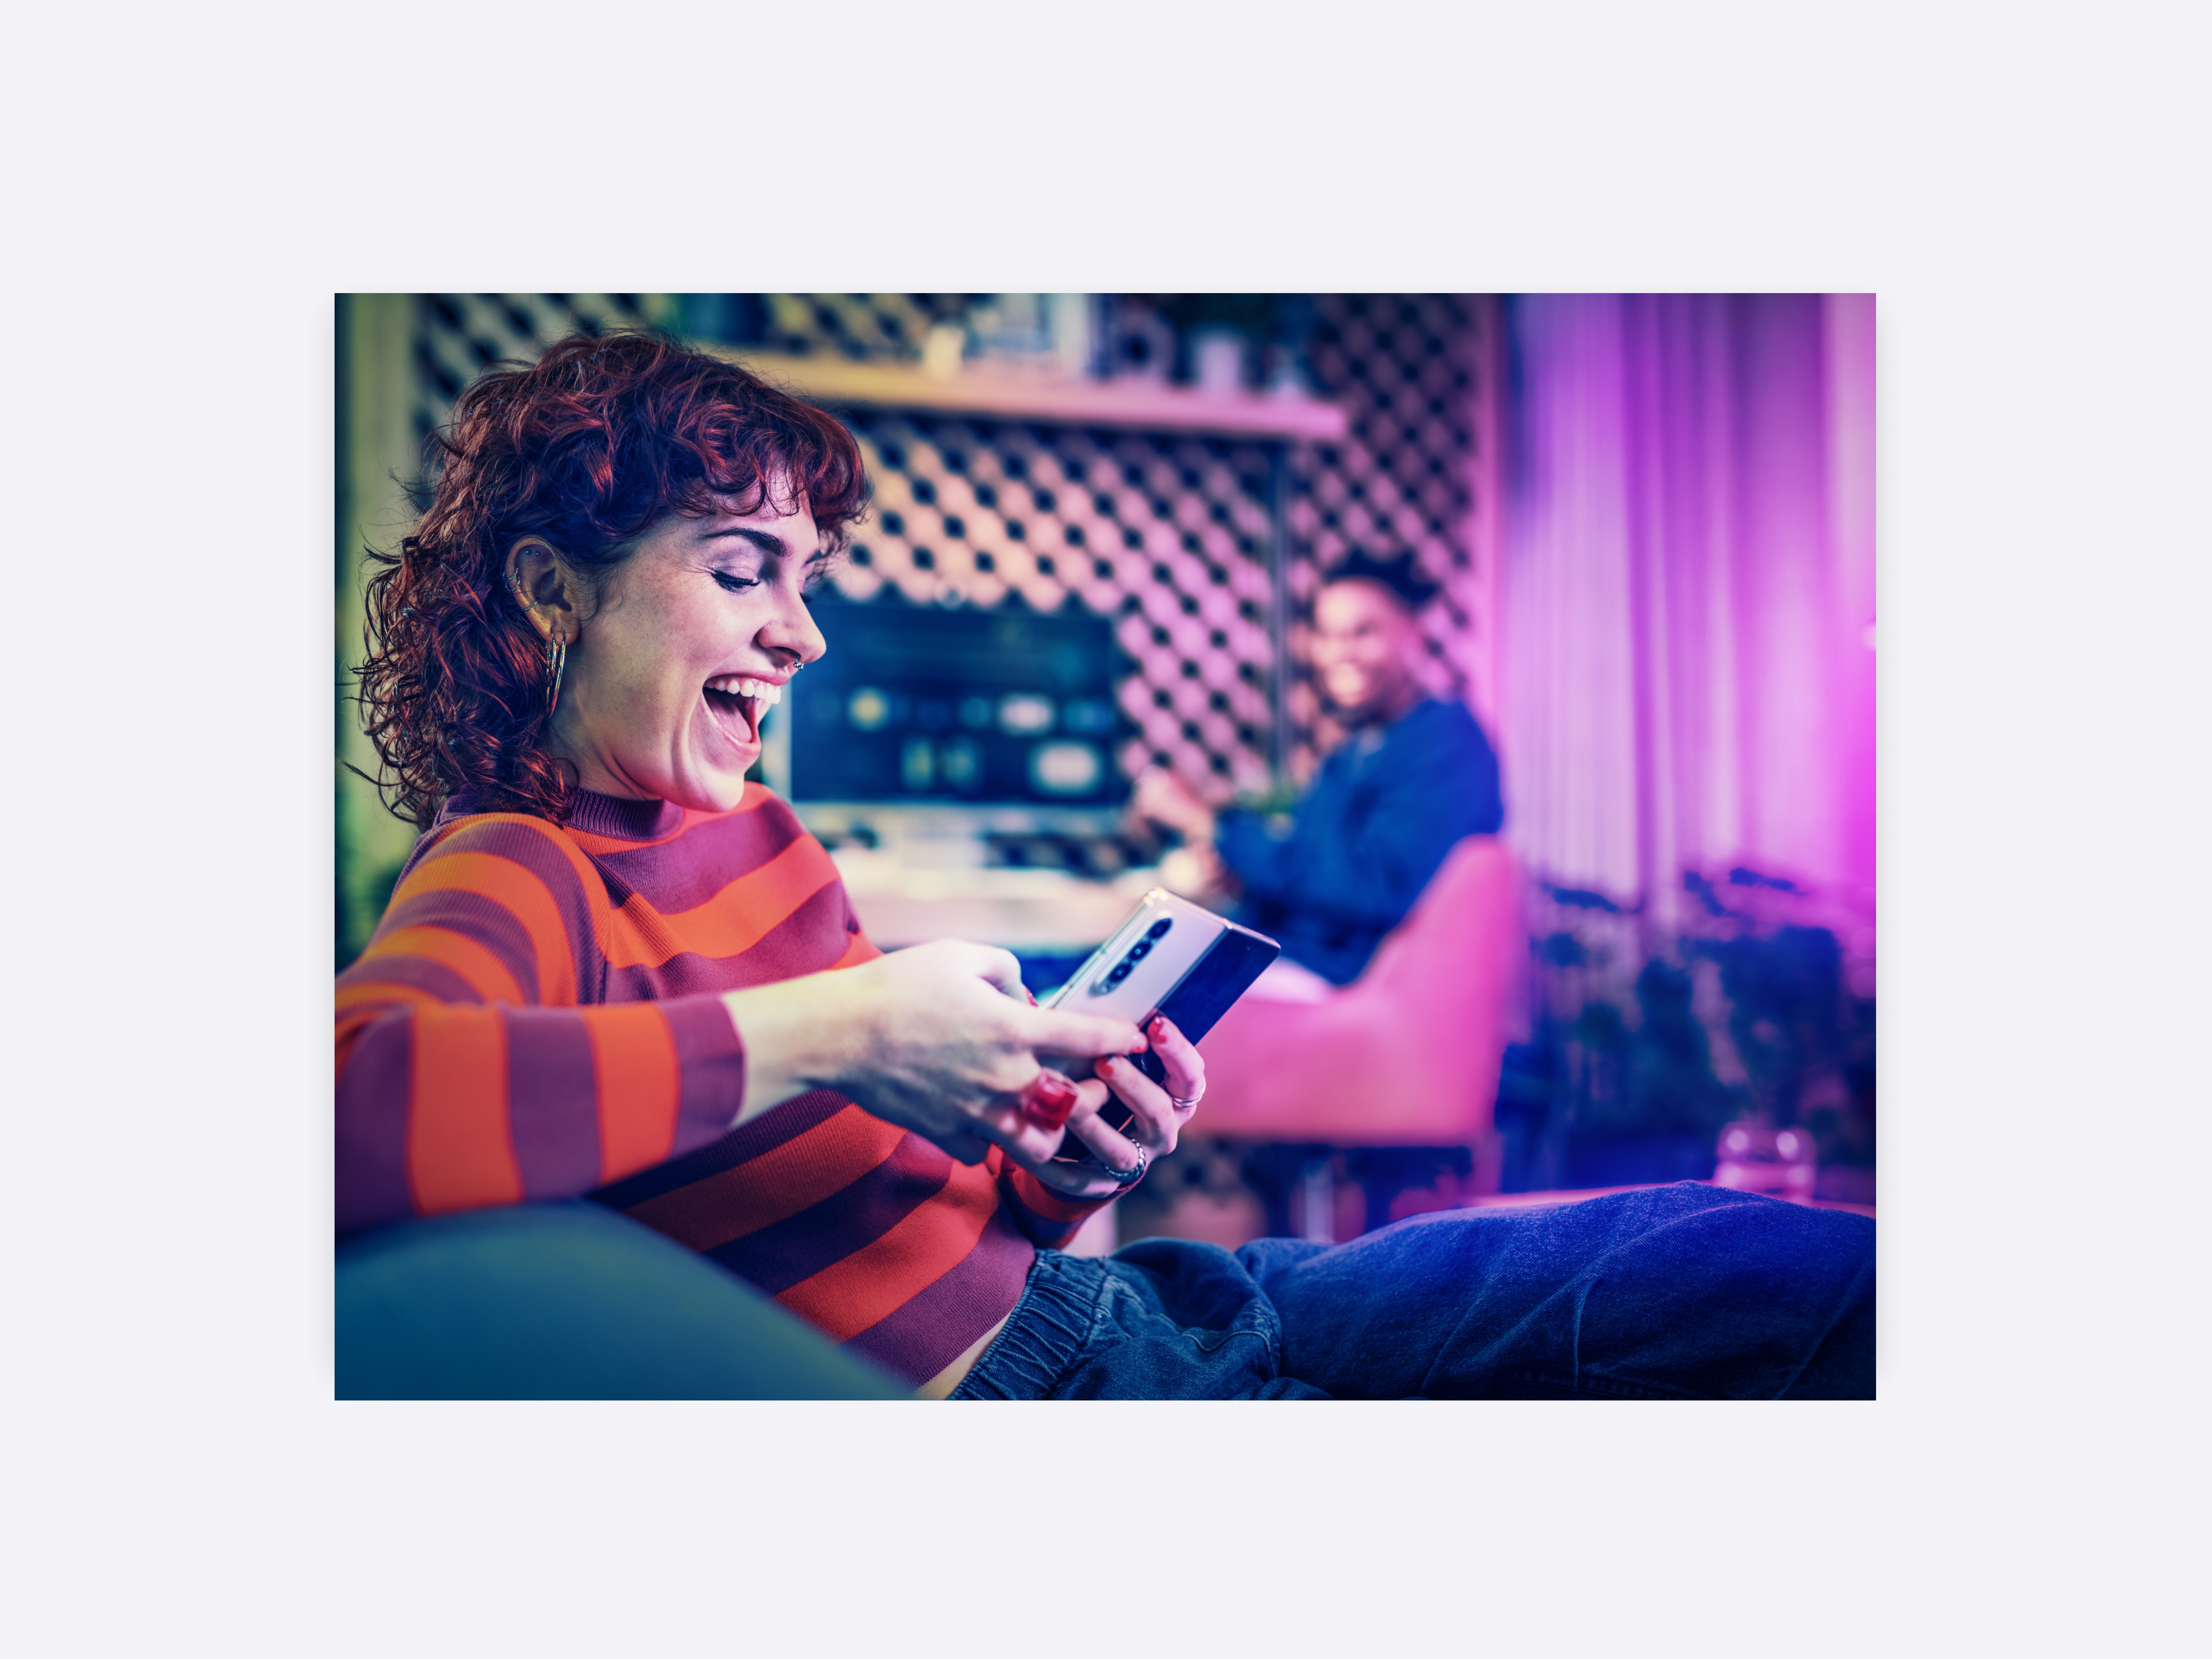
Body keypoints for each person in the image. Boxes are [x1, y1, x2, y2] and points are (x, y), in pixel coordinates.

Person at [338, 329, 1874, 1399]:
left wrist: (1061, 1171)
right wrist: (849, 1025)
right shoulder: (519, 870)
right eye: (743, 571)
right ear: (551, 590)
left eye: (804, 580)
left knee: (1763, 1270)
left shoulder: (759, 835)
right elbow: (343, 1113)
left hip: (1147, 1303)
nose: (800, 633)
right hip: (1064, 1397)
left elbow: (910, 1212)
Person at [1133, 552, 1503, 988]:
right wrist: (1242, 880)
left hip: (1348, 990)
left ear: (1413, 636)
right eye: (1327, 635)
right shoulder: (1349, 755)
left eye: (1363, 632)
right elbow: (1311, 873)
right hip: (1292, 962)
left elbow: (1371, 887)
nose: (1339, 653)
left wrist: (1212, 824)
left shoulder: (1445, 741)